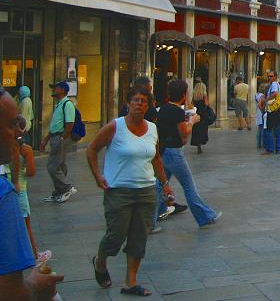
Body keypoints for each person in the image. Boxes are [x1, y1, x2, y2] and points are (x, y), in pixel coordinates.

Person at [87, 87, 173, 297]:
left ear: (149, 105)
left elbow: (156, 159)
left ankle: (130, 281)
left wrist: (165, 184)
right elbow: (91, 149)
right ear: (128, 103)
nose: (139, 104)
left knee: (139, 238)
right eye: (136, 100)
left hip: (146, 190)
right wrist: (98, 176)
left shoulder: (152, 128)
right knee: (115, 235)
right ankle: (100, 261)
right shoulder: (115, 127)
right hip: (119, 191)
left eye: (144, 101)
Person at [0, 89, 64, 301]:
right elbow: (11, 293)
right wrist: (36, 283)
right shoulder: (3, 194)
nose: (18, 132)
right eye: (10, 125)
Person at [156, 79, 221, 228]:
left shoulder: (163, 109)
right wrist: (192, 121)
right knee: (188, 185)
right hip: (174, 153)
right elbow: (184, 131)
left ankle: (153, 217)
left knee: (160, 184)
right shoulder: (177, 111)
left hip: (164, 151)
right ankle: (205, 216)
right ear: (184, 94)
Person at [1, 117, 51, 263]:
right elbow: (31, 172)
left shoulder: (5, 147)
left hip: (5, 188)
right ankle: (35, 255)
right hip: (20, 189)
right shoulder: (25, 149)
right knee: (26, 226)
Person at [39, 81, 77, 203]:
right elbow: (55, 125)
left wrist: (63, 137)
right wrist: (45, 139)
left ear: (63, 90)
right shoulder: (59, 105)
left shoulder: (67, 104)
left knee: (52, 166)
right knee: (60, 165)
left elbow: (70, 123)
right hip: (55, 136)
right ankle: (59, 192)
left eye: (56, 88)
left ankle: (67, 188)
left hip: (61, 138)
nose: (54, 90)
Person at [190, 81, 210, 154]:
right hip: (203, 114)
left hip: (196, 114)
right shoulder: (204, 96)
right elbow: (207, 104)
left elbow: (191, 104)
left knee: (196, 129)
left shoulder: (194, 96)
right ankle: (200, 143)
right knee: (202, 130)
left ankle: (198, 143)